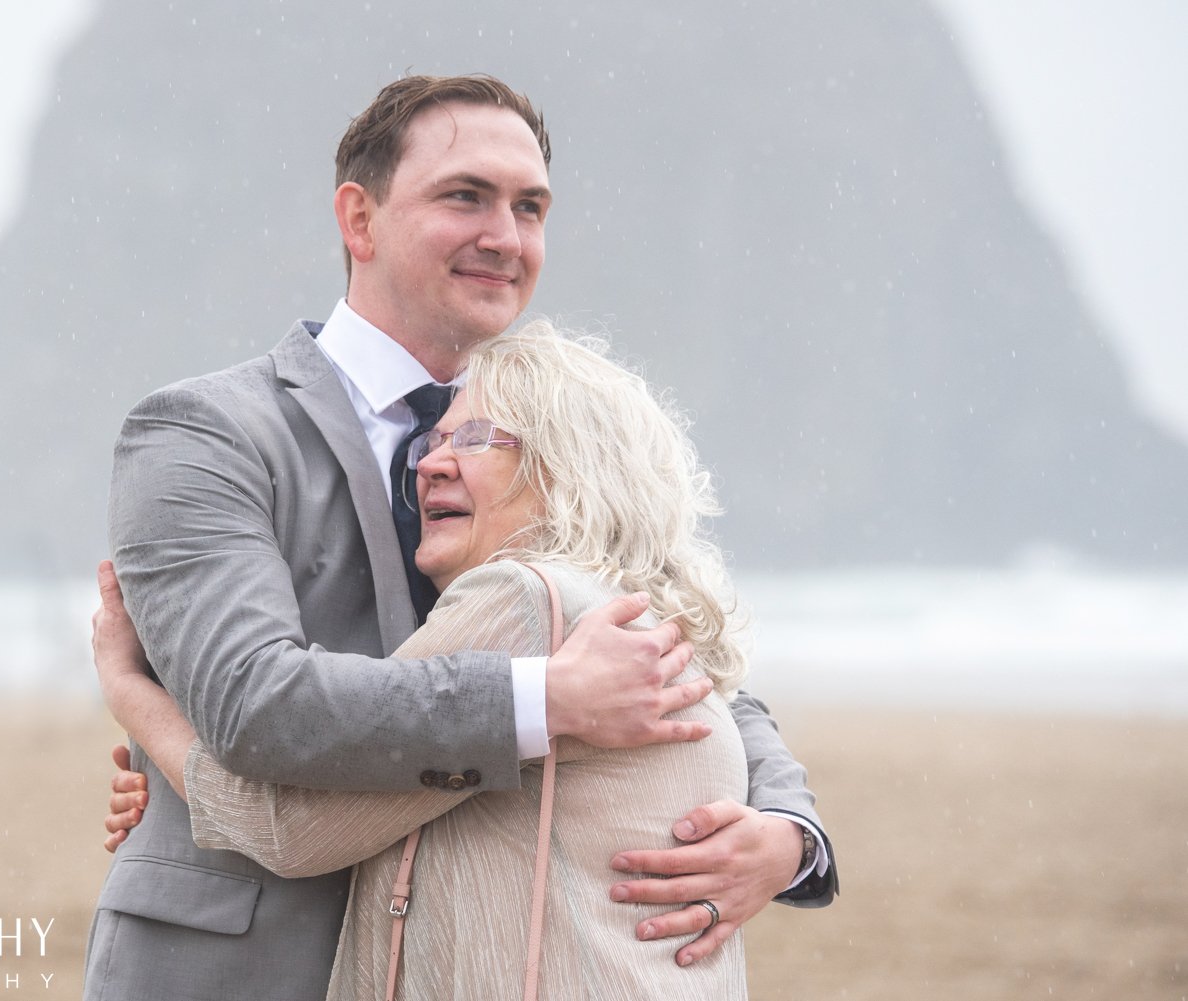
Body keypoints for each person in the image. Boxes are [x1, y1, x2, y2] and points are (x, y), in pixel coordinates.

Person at [84, 73, 835, 1001]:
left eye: (530, 207)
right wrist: (542, 700)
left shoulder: (553, 430)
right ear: (359, 222)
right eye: (465, 196)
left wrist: (786, 831)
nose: (505, 237)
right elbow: (253, 703)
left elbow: (671, 638)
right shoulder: (204, 431)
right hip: (247, 964)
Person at [96, 322, 758, 998]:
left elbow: (287, 827)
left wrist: (132, 694)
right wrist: (790, 837)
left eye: (475, 438)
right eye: (434, 439)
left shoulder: (521, 600)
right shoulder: (655, 618)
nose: (431, 463)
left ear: (568, 463)